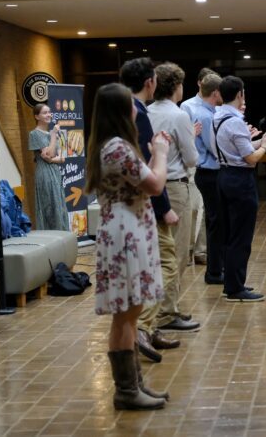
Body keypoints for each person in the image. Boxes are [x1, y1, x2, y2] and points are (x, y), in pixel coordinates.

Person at [86, 83, 170, 410]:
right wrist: (160, 152)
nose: (136, 108)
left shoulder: (112, 145)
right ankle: (126, 390)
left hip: (127, 228)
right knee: (126, 313)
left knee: (130, 312)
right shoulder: (117, 147)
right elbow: (155, 184)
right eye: (130, 104)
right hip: (125, 233)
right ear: (121, 111)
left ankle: (134, 384)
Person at [120, 57, 182, 362]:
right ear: (150, 82)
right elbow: (149, 171)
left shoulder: (122, 112)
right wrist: (164, 208)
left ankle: (150, 326)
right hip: (145, 205)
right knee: (167, 263)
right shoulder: (137, 113)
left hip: (130, 208)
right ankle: (144, 327)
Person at [213, 76, 266, 302]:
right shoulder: (234, 121)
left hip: (225, 175)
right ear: (239, 94)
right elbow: (251, 159)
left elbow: (240, 148)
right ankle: (235, 288)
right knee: (241, 235)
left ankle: (232, 283)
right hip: (239, 179)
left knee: (231, 233)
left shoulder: (219, 116)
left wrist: (262, 141)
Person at [148, 62, 201, 331]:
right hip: (176, 187)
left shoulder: (145, 112)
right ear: (176, 86)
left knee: (157, 250)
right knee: (176, 252)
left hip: (151, 185)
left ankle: (162, 308)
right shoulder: (178, 115)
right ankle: (167, 311)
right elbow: (191, 158)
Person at [180, 72, 224, 284]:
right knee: (203, 214)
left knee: (211, 216)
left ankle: (209, 258)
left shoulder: (213, 110)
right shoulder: (194, 109)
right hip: (201, 167)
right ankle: (203, 259)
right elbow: (213, 146)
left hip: (206, 168)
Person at [28, 104, 68, 231]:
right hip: (44, 174)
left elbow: (62, 158)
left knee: (59, 206)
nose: (49, 115)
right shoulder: (34, 134)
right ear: (36, 116)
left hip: (55, 173)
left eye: (49, 112)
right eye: (45, 113)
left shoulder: (52, 134)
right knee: (49, 207)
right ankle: (51, 238)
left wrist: (51, 159)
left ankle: (61, 237)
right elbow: (49, 154)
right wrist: (53, 135)